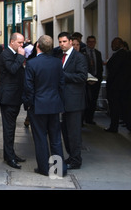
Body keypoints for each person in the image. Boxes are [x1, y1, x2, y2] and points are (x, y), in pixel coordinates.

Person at [22, 35, 67, 177]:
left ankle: (43, 168)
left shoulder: (32, 63)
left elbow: (28, 87)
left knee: (40, 138)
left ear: (37, 46)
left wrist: (28, 104)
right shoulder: (57, 63)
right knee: (55, 138)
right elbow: (61, 85)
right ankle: (59, 169)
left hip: (38, 106)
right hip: (54, 105)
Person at [58, 32, 88, 170]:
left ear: (71, 41)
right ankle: (71, 156)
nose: (62, 44)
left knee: (74, 132)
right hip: (62, 101)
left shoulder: (79, 57)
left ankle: (76, 160)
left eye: (64, 41)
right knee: (65, 131)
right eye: (60, 42)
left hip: (74, 101)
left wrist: (62, 75)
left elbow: (82, 77)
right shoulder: (59, 55)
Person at [0, 32, 26, 169]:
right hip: (8, 98)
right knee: (9, 129)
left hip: (15, 97)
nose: (22, 45)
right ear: (12, 42)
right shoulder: (6, 55)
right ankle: (9, 157)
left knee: (12, 128)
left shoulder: (14, 54)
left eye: (23, 43)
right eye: (20, 43)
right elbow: (13, 70)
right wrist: (21, 57)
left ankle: (11, 154)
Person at [105, 37, 131, 133]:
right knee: (125, 107)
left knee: (116, 108)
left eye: (114, 44)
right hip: (123, 87)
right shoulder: (125, 54)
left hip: (116, 87)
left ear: (120, 44)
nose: (112, 46)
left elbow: (114, 70)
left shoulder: (120, 55)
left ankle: (114, 126)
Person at [84, 36, 103, 125]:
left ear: (95, 42)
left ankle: (90, 118)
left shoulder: (98, 53)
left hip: (96, 80)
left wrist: (99, 78)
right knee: (86, 99)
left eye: (93, 42)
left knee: (93, 100)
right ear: (87, 42)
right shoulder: (83, 52)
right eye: (90, 42)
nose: (91, 43)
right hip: (85, 80)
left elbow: (100, 67)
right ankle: (83, 118)